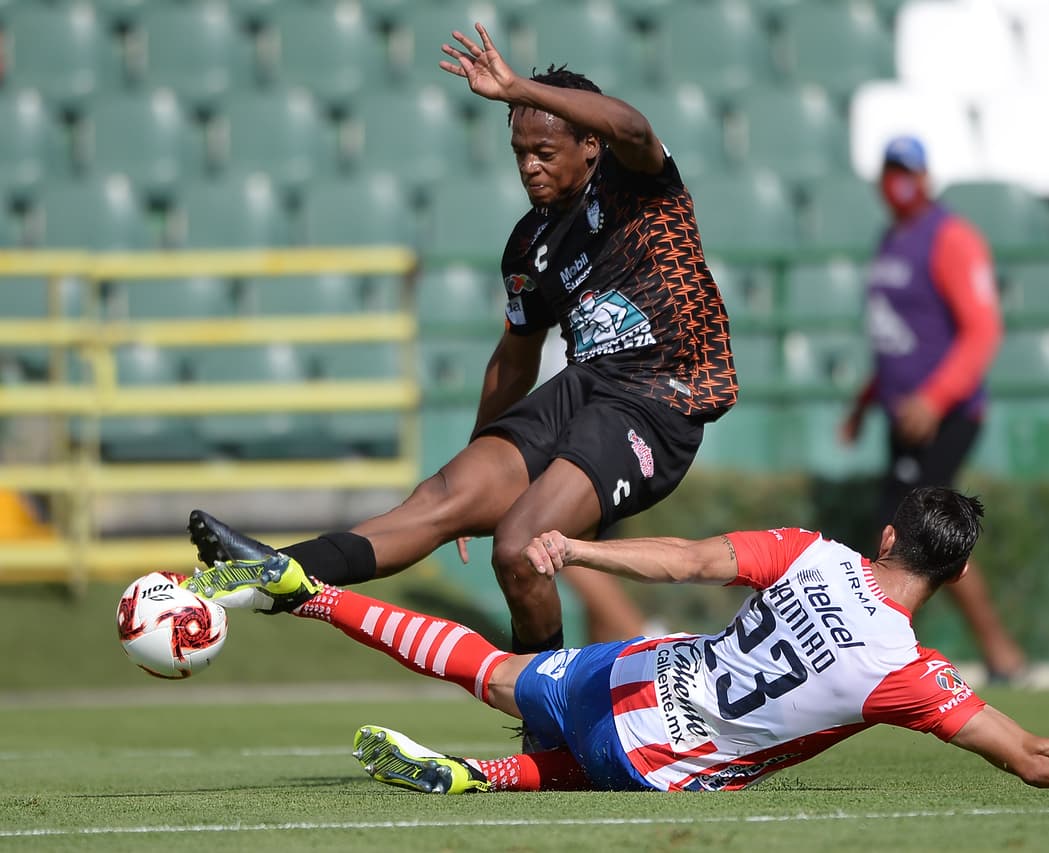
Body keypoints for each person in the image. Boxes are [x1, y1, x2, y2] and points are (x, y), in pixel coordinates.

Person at [186, 23, 737, 655]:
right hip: (586, 388)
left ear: (590, 145)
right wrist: (487, 462)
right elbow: (514, 356)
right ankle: (272, 570)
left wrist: (517, 87)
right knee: (440, 500)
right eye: (520, 152)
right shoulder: (530, 243)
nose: (529, 165)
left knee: (520, 546)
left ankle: (549, 727)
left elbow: (634, 128)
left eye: (545, 151)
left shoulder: (636, 184)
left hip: (657, 399)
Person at [180, 488, 1049, 794]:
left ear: (885, 535)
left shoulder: (812, 552)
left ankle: (302, 589)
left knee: (490, 669)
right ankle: (487, 778)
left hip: (632, 671)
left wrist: (578, 550)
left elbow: (691, 558)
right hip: (656, 756)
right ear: (951, 575)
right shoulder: (908, 672)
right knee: (594, 766)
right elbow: (1035, 760)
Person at [840, 135, 1026, 683]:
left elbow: (982, 329)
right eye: (890, 169)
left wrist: (934, 397)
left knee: (919, 536)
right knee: (899, 533)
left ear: (926, 177)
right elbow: (897, 339)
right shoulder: (890, 240)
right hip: (904, 417)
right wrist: (864, 403)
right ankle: (976, 653)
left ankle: (993, 652)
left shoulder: (951, 238)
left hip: (945, 415)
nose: (898, 181)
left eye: (908, 170)